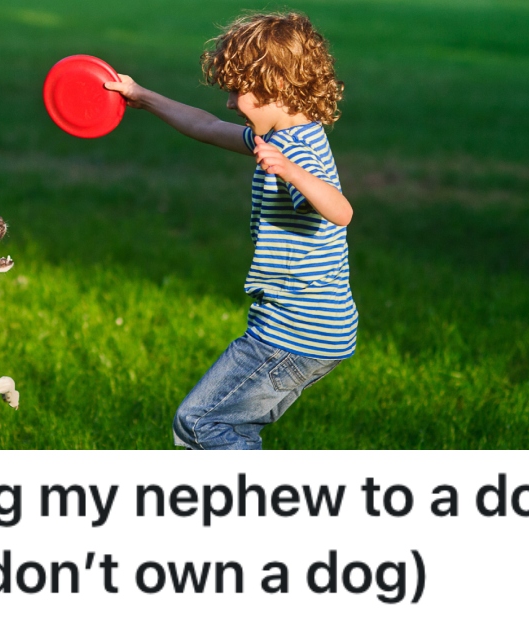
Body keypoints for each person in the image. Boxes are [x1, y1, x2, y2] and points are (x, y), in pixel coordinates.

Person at [105, 11, 358, 450]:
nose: (229, 103)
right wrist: (142, 96)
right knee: (225, 425)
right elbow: (206, 126)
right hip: (312, 327)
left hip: (295, 331)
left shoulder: (296, 154)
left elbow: (341, 211)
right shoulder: (281, 136)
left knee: (201, 424)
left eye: (237, 92)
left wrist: (293, 174)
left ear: (274, 87)